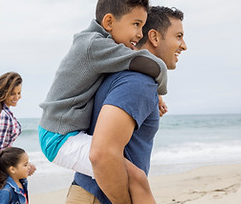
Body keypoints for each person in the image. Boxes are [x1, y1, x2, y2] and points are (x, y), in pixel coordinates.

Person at [67, 6, 187, 204]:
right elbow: (102, 153)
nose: (184, 45)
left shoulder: (125, 76)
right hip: (100, 197)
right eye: (179, 36)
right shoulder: (138, 83)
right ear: (155, 37)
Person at [39, 0, 167, 178]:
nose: (140, 34)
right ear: (109, 22)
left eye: (143, 26)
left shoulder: (98, 44)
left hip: (62, 132)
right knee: (130, 176)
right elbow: (151, 64)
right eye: (136, 25)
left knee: (132, 172)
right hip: (58, 138)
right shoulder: (94, 45)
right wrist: (159, 89)